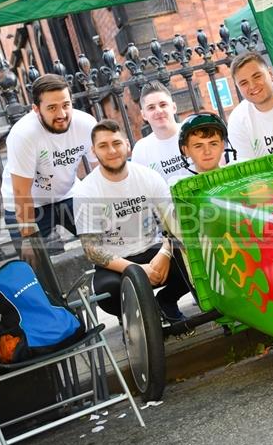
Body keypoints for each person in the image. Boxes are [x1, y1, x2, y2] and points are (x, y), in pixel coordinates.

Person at [73, 119, 190, 324]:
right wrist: (135, 269)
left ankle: (166, 301)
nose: (111, 150)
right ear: (93, 151)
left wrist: (165, 253)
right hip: (116, 263)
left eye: (116, 143)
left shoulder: (149, 177)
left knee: (192, 261)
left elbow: (173, 225)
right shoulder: (86, 190)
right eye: (103, 146)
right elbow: (91, 249)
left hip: (153, 250)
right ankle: (132, 318)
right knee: (108, 292)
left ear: (127, 144)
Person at [1, 73, 98, 253]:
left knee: (103, 242)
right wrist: (29, 239)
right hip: (28, 203)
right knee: (42, 264)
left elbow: (100, 170)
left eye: (66, 105)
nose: (61, 114)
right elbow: (21, 191)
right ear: (36, 109)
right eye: (52, 108)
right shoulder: (23, 134)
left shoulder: (86, 124)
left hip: (68, 194)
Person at [131, 81, 190, 183]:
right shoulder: (140, 150)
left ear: (174, 107)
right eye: (151, 107)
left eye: (163, 105)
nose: (158, 111)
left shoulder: (192, 133)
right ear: (144, 115)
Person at [168, 112, 235, 186]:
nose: (207, 152)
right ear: (185, 150)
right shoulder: (179, 186)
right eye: (198, 146)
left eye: (213, 144)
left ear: (223, 146)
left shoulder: (239, 173)